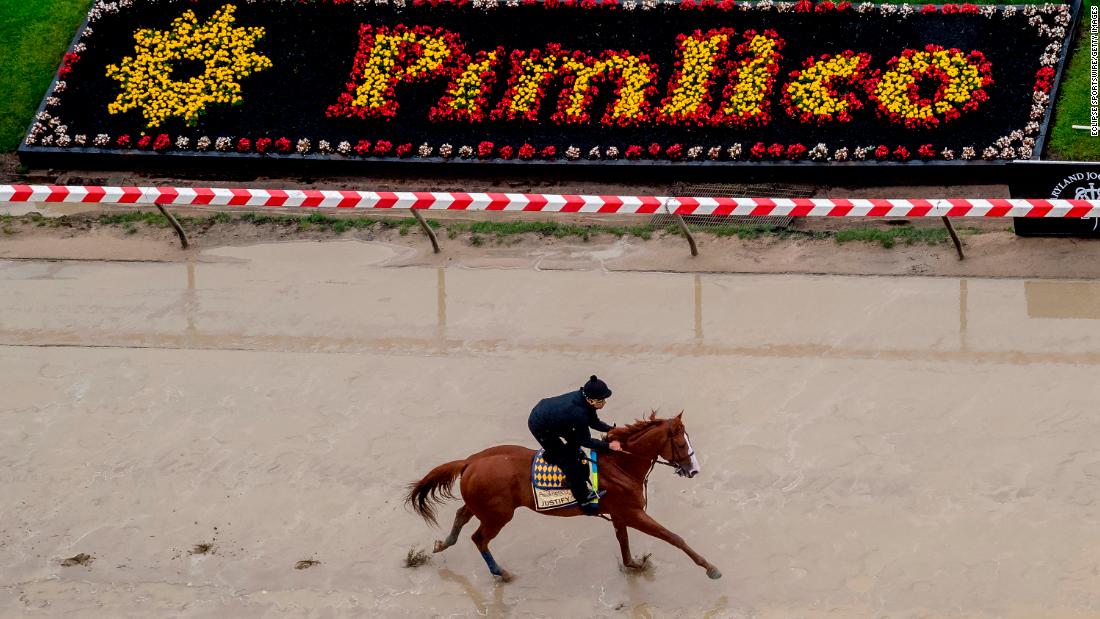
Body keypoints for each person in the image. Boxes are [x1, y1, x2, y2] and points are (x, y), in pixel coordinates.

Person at [528, 375, 623, 515]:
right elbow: (586, 441)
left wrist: (611, 429)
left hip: (556, 417)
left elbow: (593, 422)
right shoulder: (578, 413)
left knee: (574, 448)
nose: (604, 403)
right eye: (601, 400)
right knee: (569, 462)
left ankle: (553, 454)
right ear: (590, 400)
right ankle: (583, 499)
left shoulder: (585, 401)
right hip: (540, 425)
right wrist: (609, 446)